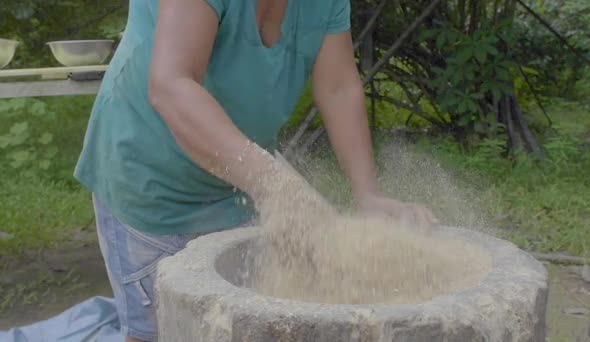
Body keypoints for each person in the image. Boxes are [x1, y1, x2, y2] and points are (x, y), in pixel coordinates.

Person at [74, 0, 438, 341]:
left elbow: (339, 87)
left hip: (242, 177)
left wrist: (367, 193)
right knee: (162, 331)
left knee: (265, 313)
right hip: (152, 182)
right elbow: (172, 86)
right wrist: (274, 185)